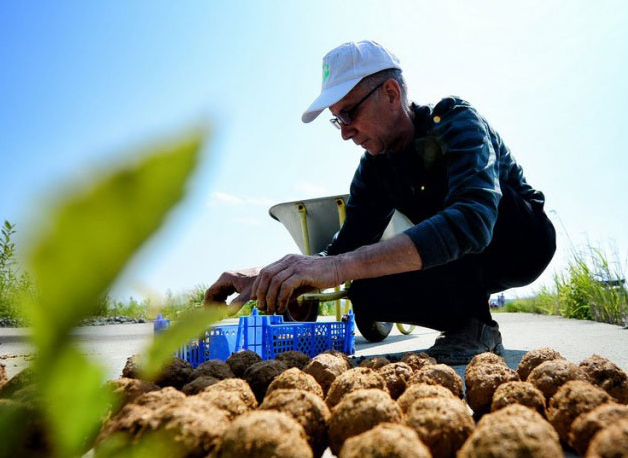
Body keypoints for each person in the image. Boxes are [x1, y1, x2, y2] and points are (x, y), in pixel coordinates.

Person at [205, 40, 555, 364]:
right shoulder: (375, 167)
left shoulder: (454, 120)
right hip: (458, 264)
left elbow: (473, 220)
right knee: (367, 294)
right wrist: (276, 275)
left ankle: (473, 319)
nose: (344, 131)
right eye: (336, 119)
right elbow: (343, 249)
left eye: (348, 114)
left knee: (468, 207)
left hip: (519, 242)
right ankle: (474, 325)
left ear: (390, 93)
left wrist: (338, 267)